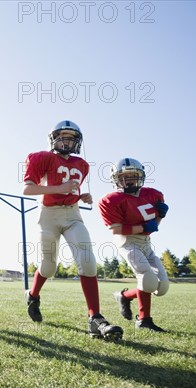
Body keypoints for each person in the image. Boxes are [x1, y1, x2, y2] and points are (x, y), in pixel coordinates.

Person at [22, 120, 123, 341]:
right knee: (49, 266)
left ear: (77, 142)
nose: (66, 141)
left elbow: (69, 190)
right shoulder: (41, 157)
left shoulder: (82, 164)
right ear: (53, 139)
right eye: (62, 136)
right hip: (47, 215)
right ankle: (32, 295)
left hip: (72, 213)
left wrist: (80, 196)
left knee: (87, 260)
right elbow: (28, 189)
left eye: (71, 138)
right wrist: (61, 188)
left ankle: (94, 318)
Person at [99, 158, 170, 332]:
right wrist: (145, 226)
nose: (129, 180)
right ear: (116, 179)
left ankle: (124, 296)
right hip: (127, 241)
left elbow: (153, 227)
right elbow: (117, 230)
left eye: (133, 176)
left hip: (145, 241)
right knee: (147, 279)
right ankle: (144, 320)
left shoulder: (153, 194)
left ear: (141, 176)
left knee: (162, 287)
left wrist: (160, 216)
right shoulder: (111, 199)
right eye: (124, 176)